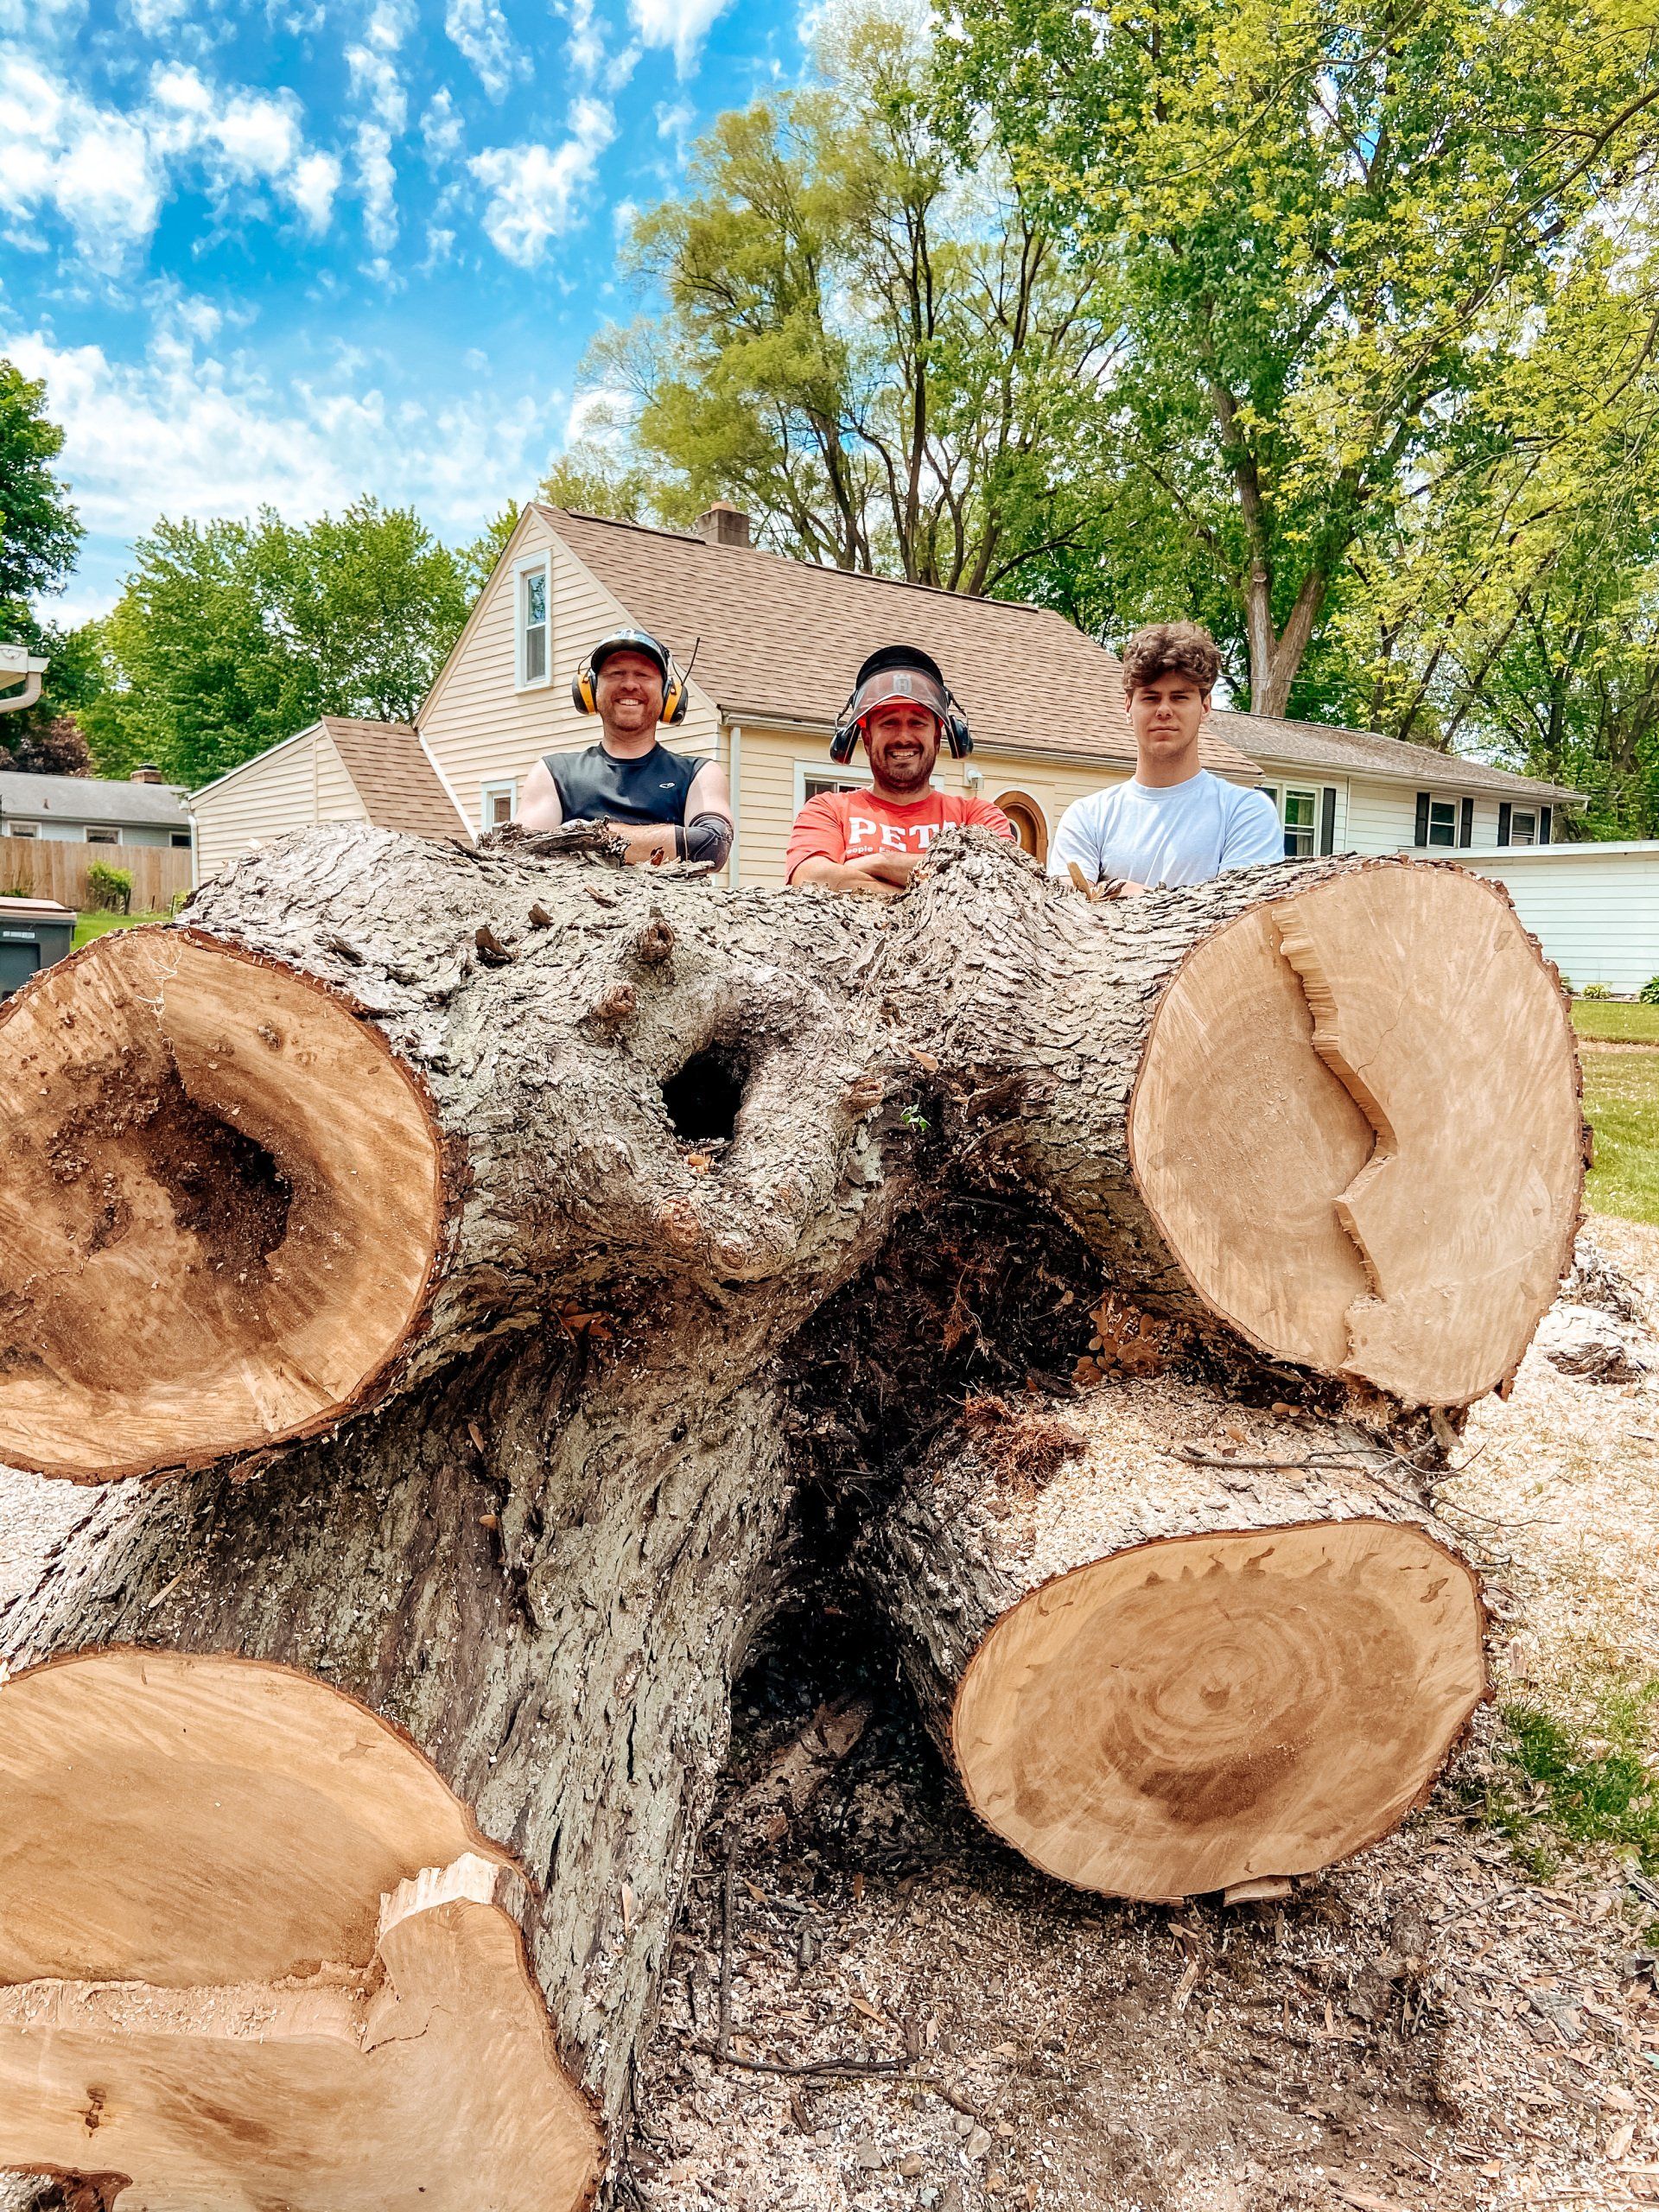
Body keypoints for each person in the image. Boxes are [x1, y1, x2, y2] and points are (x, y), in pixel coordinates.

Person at [1048, 622, 1281, 894]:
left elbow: (1237, 916)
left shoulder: (1245, 813)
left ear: (1205, 707)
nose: (1164, 710)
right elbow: (1069, 911)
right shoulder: (1088, 817)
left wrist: (1111, 890)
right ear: (1128, 707)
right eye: (1150, 698)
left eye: (1180, 697)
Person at [785, 645, 1014, 896]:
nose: (903, 737)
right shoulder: (828, 810)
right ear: (868, 736)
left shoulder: (977, 817)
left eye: (917, 722)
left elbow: (999, 881)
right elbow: (810, 878)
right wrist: (937, 893)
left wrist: (882, 862)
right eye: (889, 722)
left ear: (938, 737)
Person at [517, 627, 734, 869]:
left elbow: (712, 845)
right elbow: (523, 854)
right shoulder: (552, 774)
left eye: (643, 675)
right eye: (615, 673)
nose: (629, 684)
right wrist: (669, 842)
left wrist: (583, 835)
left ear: (669, 693)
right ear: (590, 690)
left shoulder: (699, 774)